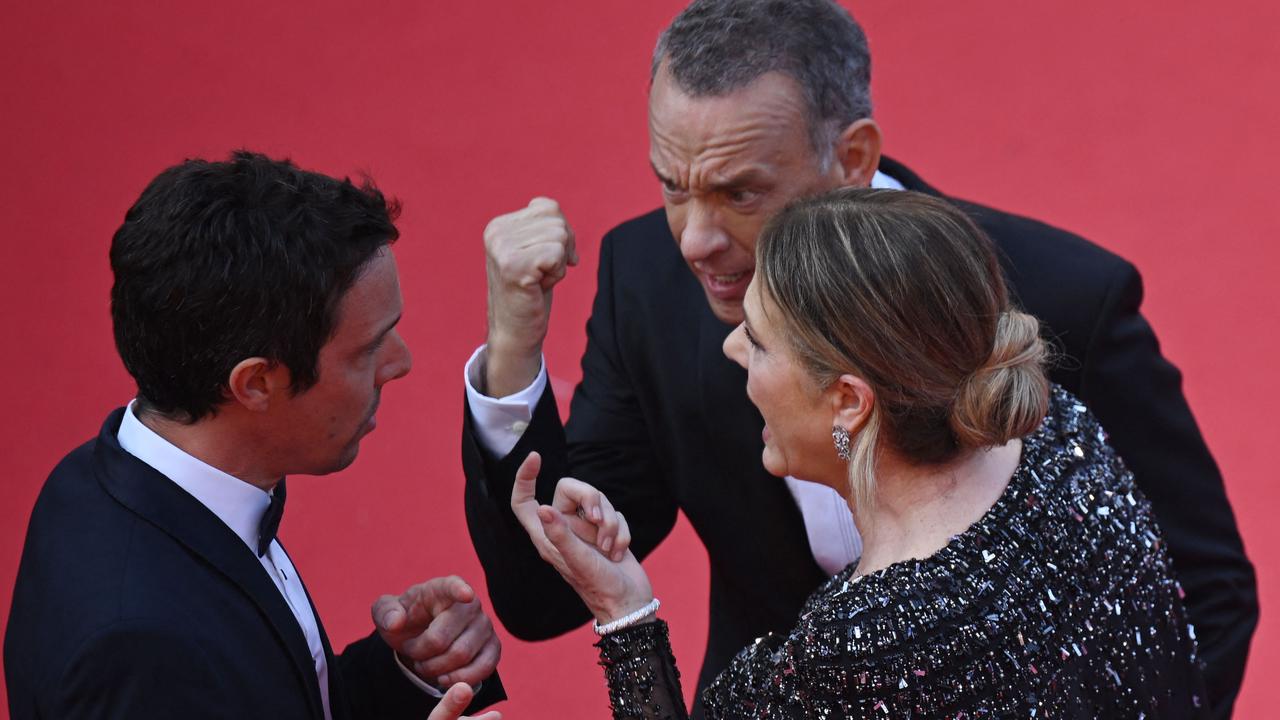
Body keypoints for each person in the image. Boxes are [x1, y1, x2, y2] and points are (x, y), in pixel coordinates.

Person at [461, 0, 1255, 716]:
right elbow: (545, 597)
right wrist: (513, 352)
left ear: (852, 154)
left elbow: (1205, 595)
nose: (696, 241)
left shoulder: (1063, 296)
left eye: (740, 193)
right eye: (673, 187)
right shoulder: (645, 284)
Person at [514, 187, 1209, 718]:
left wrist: (626, 615)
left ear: (849, 401)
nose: (730, 348)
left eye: (756, 340)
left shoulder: (858, 647)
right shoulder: (1062, 435)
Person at [6, 151, 504, 720]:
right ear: (256, 383)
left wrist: (408, 674)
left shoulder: (109, 475)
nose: (400, 363)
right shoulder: (138, 648)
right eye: (368, 349)